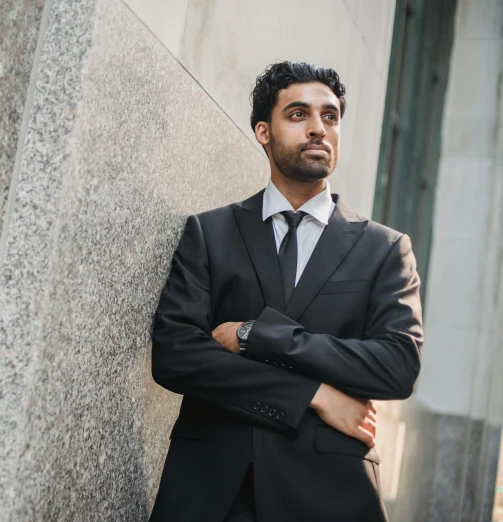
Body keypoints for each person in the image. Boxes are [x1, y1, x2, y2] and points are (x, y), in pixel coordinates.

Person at [148, 61, 423, 522]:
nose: (318, 128)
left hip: (330, 494)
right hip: (211, 491)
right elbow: (177, 356)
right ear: (263, 131)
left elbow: (397, 366)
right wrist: (313, 393)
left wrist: (258, 335)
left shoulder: (385, 248)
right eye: (298, 115)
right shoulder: (210, 232)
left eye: (330, 117)